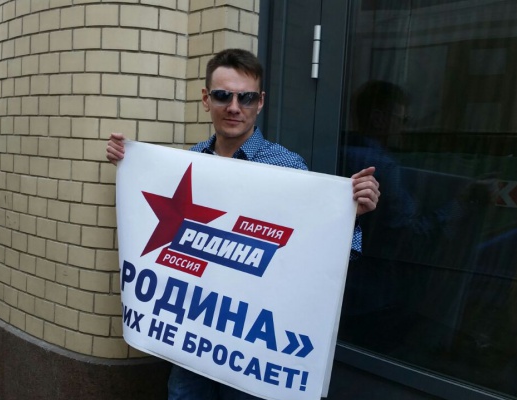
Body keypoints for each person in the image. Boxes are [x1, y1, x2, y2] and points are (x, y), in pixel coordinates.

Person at [106, 48, 380, 400]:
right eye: (223, 95)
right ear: (206, 99)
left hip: (251, 345)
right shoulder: (189, 162)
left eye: (246, 97)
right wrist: (129, 164)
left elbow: (312, 250)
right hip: (193, 335)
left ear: (260, 102)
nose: (234, 107)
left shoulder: (288, 167)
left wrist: (348, 216)